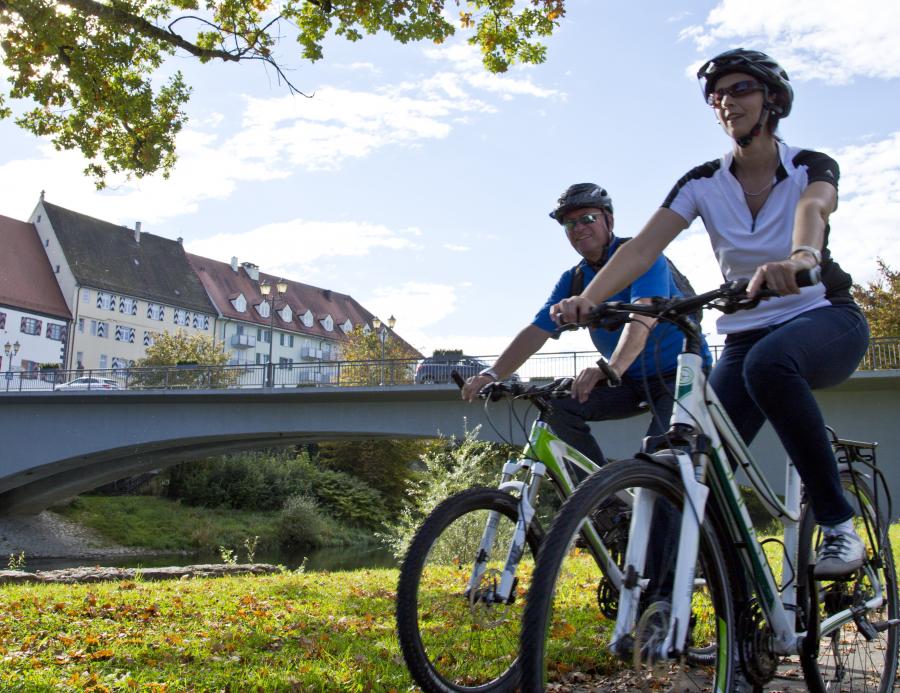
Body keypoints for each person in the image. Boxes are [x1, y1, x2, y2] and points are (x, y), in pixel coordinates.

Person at [551, 49, 869, 579]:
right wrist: (593, 297)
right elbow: (639, 250)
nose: (727, 102)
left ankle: (838, 522)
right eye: (717, 96)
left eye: (740, 89)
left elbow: (813, 210)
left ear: (772, 100)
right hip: (745, 337)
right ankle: (725, 611)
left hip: (823, 316)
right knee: (684, 459)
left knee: (770, 364)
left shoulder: (809, 166)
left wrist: (801, 259)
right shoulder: (702, 182)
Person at [462, 182, 712, 468]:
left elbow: (644, 315)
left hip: (679, 377)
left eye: (587, 219)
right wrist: (491, 373)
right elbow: (536, 331)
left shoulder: (641, 255)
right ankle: (602, 498)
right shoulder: (574, 279)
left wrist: (611, 368)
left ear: (610, 220)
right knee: (558, 405)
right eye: (569, 224)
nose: (578, 228)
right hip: (629, 381)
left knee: (659, 465)